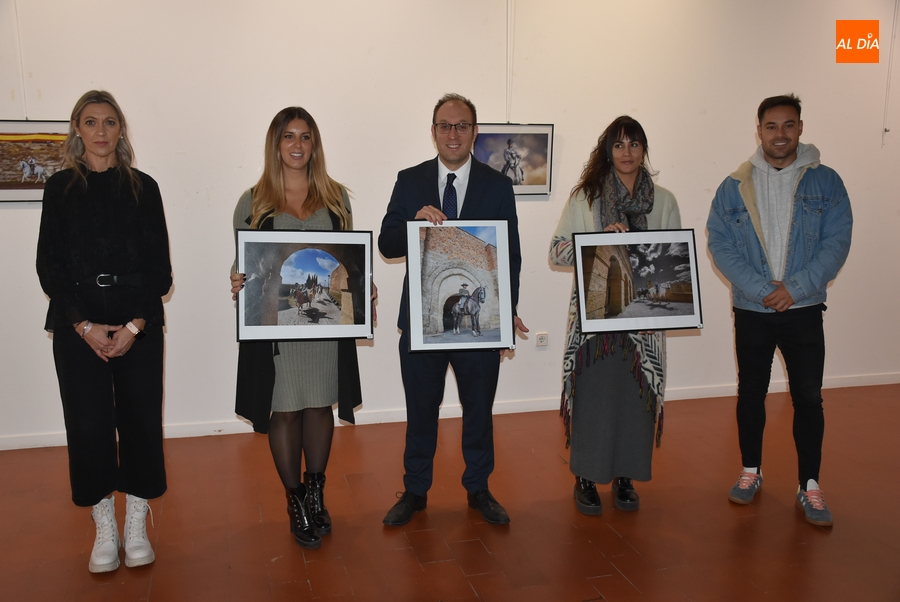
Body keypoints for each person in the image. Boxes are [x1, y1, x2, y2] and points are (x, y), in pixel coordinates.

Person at [36, 90, 172, 573]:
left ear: (121, 130)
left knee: (139, 422)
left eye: (109, 122)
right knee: (89, 426)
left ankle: (135, 523)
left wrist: (135, 326)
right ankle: (104, 528)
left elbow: (160, 271)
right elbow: (48, 269)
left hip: (138, 321)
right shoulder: (58, 189)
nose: (100, 132)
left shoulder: (144, 188)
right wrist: (85, 326)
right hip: (78, 327)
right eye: (90, 122)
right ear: (77, 129)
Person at [379, 93, 528, 526]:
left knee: (479, 410)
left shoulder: (497, 185)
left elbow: (509, 255)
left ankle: (479, 488)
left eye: (462, 125)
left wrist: (503, 314)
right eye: (445, 125)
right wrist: (413, 224)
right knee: (420, 411)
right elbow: (388, 243)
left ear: (474, 132)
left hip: (480, 327)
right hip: (420, 324)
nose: (453, 134)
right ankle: (415, 491)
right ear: (433, 132)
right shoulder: (409, 181)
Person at [707, 94, 852, 526]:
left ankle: (810, 486)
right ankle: (750, 471)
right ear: (759, 131)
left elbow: (836, 242)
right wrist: (761, 291)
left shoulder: (827, 182)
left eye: (788, 126)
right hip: (752, 310)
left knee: (808, 397)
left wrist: (795, 288)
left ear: (801, 129)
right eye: (771, 127)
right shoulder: (733, 185)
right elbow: (720, 245)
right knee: (751, 392)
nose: (780, 134)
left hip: (804, 308)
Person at [230, 107, 364, 549]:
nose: (297, 145)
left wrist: (365, 289)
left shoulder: (338, 197)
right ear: (276, 144)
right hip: (277, 329)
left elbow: (348, 263)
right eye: (288, 136)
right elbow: (244, 261)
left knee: (320, 406)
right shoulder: (253, 201)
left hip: (324, 328)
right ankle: (294, 500)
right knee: (285, 410)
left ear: (314, 144)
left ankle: (316, 490)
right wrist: (237, 277)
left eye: (305, 137)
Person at [549, 116, 681, 515]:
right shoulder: (584, 199)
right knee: (593, 398)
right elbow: (556, 252)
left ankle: (626, 476)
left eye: (635, 144)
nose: (627, 152)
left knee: (637, 398)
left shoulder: (665, 200)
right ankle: (586, 478)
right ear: (608, 150)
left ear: (644, 150)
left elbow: (675, 259)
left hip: (643, 323)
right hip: (595, 323)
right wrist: (596, 242)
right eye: (619, 145)